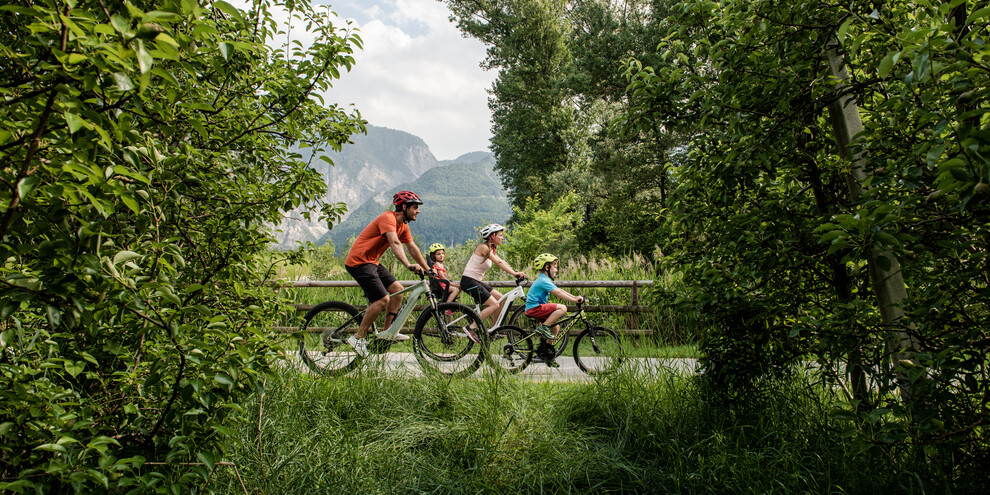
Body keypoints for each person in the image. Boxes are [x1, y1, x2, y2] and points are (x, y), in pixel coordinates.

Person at [344, 190, 430, 357]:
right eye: (415, 207)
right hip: (358, 262)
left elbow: (412, 248)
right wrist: (408, 265)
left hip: (372, 262)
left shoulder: (403, 226)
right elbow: (395, 243)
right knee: (382, 299)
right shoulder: (388, 218)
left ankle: (388, 332)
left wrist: (428, 269)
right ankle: (358, 338)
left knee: (398, 291)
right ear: (404, 207)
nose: (418, 211)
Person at [459, 223, 527, 342]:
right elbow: (499, 263)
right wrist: (514, 274)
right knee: (494, 305)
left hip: (475, 281)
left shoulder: (491, 249)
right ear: (492, 236)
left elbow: (502, 261)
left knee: (500, 299)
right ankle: (471, 328)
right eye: (500, 235)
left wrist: (516, 272)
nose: (502, 238)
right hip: (468, 281)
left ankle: (495, 330)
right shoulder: (484, 247)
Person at [524, 253, 584, 368]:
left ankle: (548, 353)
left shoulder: (544, 279)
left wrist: (575, 298)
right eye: (555, 267)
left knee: (555, 327)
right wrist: (574, 300)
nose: (556, 270)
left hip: (537, 308)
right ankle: (544, 327)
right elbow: (558, 293)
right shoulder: (543, 280)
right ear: (547, 267)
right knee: (563, 308)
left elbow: (559, 290)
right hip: (535, 308)